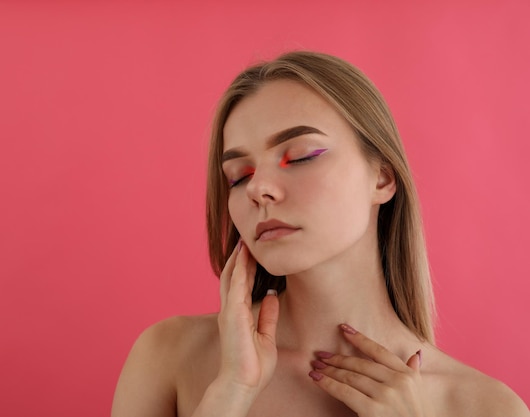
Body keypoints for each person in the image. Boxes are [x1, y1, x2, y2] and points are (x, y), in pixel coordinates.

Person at [111, 51, 529, 417]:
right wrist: (231, 394)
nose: (258, 189)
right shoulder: (170, 357)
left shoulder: (488, 408)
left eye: (301, 156)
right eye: (239, 176)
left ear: (382, 178)